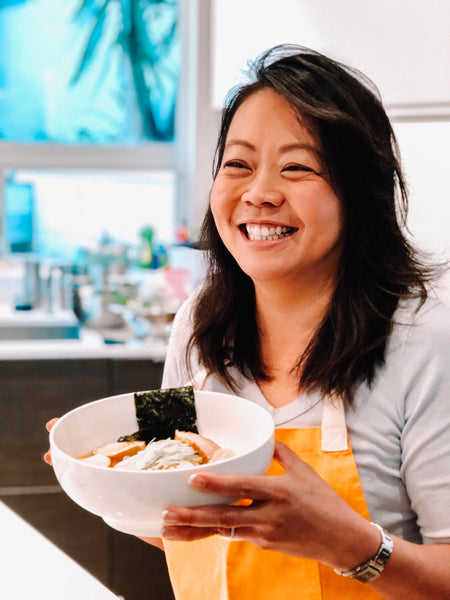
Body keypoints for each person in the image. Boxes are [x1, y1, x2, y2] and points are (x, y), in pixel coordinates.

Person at [46, 45, 450, 599]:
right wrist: (108, 483)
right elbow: (177, 514)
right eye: (237, 164)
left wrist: (350, 545)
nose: (258, 193)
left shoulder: (425, 340)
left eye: (297, 168)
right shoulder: (197, 324)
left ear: (360, 194)